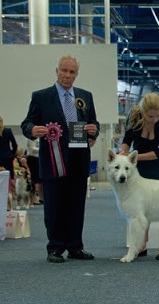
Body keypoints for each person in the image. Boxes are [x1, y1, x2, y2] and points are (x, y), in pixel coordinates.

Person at [21, 55, 100, 263]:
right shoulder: (41, 97)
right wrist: (32, 129)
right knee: (54, 206)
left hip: (79, 159)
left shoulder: (86, 96)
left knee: (76, 206)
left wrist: (94, 131)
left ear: (76, 74)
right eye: (64, 71)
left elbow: (93, 123)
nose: (67, 75)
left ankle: (75, 246)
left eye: (71, 72)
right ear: (57, 71)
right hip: (52, 161)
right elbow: (26, 123)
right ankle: (55, 247)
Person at [120, 92, 159, 260]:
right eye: (150, 116)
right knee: (142, 204)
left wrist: (132, 158)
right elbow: (128, 138)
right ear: (143, 112)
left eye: (157, 115)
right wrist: (124, 152)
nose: (154, 119)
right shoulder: (133, 115)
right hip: (140, 163)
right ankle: (142, 244)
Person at [0, 116, 18, 198]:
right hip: (7, 158)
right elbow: (15, 145)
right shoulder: (8, 131)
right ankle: (11, 196)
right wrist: (12, 154)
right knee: (9, 179)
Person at [27, 138, 43, 205]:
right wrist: (43, 149)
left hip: (38, 158)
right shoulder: (31, 137)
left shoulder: (40, 138)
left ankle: (41, 198)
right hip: (32, 158)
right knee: (34, 179)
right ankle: (33, 198)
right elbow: (32, 148)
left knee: (39, 180)